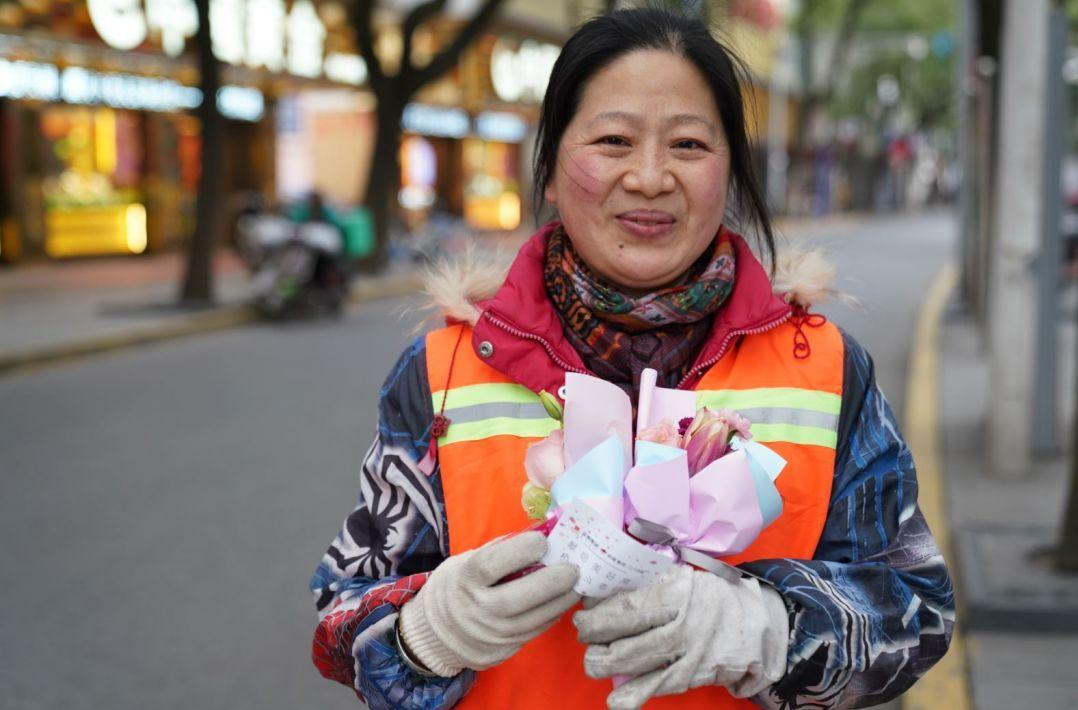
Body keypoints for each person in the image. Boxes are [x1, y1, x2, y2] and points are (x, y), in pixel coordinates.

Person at [309, 9, 954, 709]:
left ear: (729, 173)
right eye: (613, 140)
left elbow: (918, 612)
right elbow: (343, 619)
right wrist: (421, 632)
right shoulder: (443, 372)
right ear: (551, 169)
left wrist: (772, 628)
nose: (649, 178)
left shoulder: (826, 369)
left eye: (687, 145)